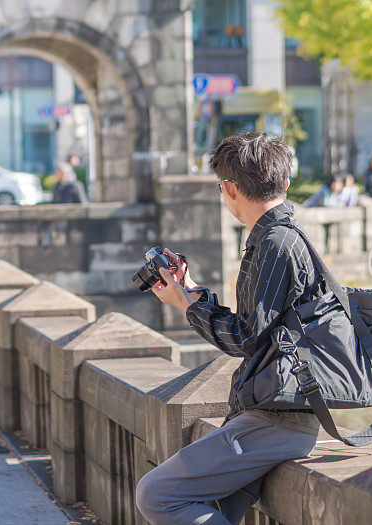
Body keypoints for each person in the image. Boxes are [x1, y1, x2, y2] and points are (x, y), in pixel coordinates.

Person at [135, 132, 320, 524]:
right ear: (285, 184)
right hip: (271, 413)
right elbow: (253, 329)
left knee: (157, 495)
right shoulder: (278, 238)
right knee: (212, 509)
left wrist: (185, 304)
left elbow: (244, 338)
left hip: (279, 420)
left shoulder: (275, 243)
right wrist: (190, 292)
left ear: (230, 188)